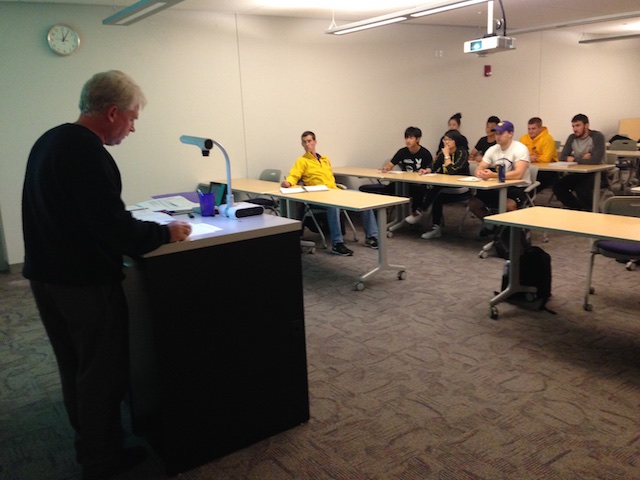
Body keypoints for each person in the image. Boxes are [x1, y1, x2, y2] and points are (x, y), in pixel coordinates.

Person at [21, 70, 192, 480]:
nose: (132, 128)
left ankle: (91, 445)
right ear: (112, 113)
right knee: (102, 374)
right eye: (132, 118)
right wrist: (164, 233)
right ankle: (102, 460)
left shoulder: (50, 141)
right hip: (83, 285)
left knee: (75, 367)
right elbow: (113, 228)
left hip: (46, 278)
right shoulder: (88, 152)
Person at [282, 131, 378, 256]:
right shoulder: (302, 161)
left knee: (363, 198)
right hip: (317, 196)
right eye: (304, 142)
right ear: (302, 144)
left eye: (309, 141)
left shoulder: (325, 159)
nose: (307, 144)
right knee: (334, 206)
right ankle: (337, 244)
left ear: (315, 142)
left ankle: (371, 237)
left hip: (334, 191)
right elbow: (293, 176)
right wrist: (288, 182)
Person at [468, 120, 532, 237]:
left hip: (517, 187)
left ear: (510, 133)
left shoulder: (520, 149)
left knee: (508, 205)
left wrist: (493, 175)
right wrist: (480, 172)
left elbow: (518, 174)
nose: (497, 136)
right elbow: (480, 167)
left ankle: (515, 233)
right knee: (474, 204)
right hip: (497, 186)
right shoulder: (493, 149)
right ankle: (494, 226)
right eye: (496, 133)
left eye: (501, 133)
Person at [405, 130, 471, 239]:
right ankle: (436, 228)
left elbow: (452, 171)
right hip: (445, 187)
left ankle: (420, 211)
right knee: (437, 196)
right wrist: (427, 170)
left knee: (437, 188)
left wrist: (446, 155)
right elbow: (433, 165)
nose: (446, 142)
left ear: (456, 141)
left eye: (450, 140)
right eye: (445, 139)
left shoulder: (462, 152)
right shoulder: (443, 152)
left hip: (462, 187)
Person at [365, 126, 433, 212]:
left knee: (418, 193)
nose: (408, 141)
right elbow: (391, 164)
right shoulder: (402, 152)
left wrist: (425, 172)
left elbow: (431, 169)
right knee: (387, 190)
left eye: (411, 138)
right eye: (406, 138)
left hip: (419, 184)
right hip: (404, 182)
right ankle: (383, 212)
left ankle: (415, 215)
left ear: (418, 139)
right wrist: (386, 168)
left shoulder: (425, 153)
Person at [552, 114, 606, 211]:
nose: (575, 129)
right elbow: (563, 157)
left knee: (581, 187)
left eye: (578, 125)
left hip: (597, 173)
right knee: (558, 186)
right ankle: (577, 208)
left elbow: (595, 161)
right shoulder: (572, 138)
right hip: (579, 172)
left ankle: (591, 211)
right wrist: (583, 159)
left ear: (586, 126)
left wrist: (574, 159)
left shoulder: (597, 137)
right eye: (573, 126)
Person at [519, 117, 558, 192]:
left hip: (547, 171)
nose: (530, 131)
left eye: (533, 129)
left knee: (533, 180)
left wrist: (532, 158)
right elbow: (519, 156)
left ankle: (526, 196)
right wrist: (529, 157)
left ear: (540, 128)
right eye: (529, 129)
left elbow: (546, 159)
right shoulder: (524, 138)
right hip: (528, 168)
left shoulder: (548, 139)